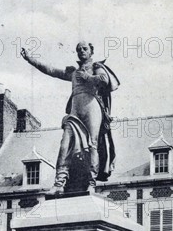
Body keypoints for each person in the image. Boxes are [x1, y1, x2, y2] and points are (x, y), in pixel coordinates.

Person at [21, 41, 120, 194]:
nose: (81, 51)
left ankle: (91, 183)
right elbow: (51, 70)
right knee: (65, 145)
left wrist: (87, 77)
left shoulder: (96, 67)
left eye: (85, 49)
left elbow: (104, 80)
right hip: (75, 111)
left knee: (92, 145)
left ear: (91, 51)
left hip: (92, 107)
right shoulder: (73, 72)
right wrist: (30, 59)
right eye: (78, 49)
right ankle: (59, 184)